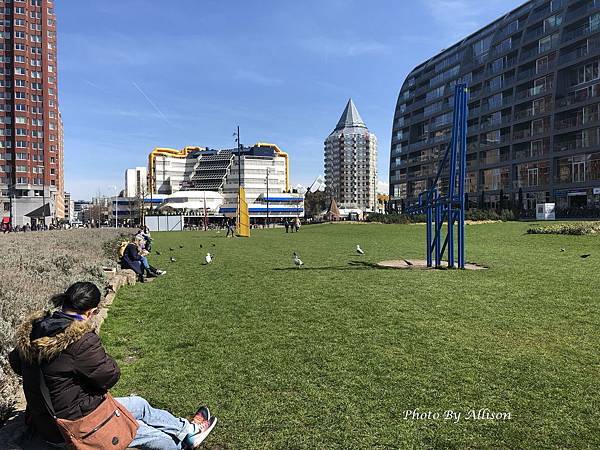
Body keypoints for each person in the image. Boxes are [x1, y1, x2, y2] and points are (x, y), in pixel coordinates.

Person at [8, 282, 217, 449]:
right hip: (74, 427)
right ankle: (183, 443)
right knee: (141, 430)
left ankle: (188, 429)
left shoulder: (34, 330)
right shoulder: (80, 340)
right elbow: (110, 376)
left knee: (140, 405)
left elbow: (17, 364)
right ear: (90, 312)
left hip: (46, 419)